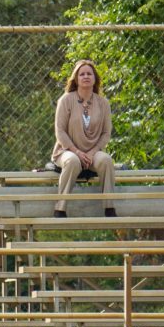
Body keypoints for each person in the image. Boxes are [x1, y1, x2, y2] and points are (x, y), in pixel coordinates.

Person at [51, 59, 116, 218]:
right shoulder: (66, 100)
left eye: (89, 73)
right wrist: (77, 152)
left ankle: (109, 207)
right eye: (82, 74)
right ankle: (60, 208)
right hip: (67, 150)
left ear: (95, 78)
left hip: (92, 153)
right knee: (72, 161)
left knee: (106, 160)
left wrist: (93, 152)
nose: (86, 76)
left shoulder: (103, 103)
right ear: (76, 78)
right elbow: (60, 131)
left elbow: (106, 133)